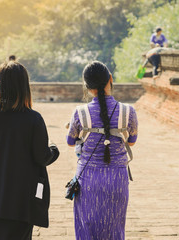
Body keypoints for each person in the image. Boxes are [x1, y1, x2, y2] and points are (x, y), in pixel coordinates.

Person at [0, 61, 60, 240]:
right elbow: (43, 156)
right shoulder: (33, 119)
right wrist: (53, 149)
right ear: (24, 86)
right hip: (21, 202)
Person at [67, 61, 138, 239]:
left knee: (87, 228)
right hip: (117, 178)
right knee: (115, 227)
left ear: (87, 87)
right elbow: (131, 142)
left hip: (88, 178)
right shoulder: (128, 111)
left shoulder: (80, 112)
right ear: (110, 79)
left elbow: (70, 141)